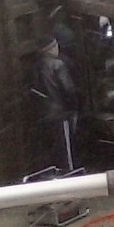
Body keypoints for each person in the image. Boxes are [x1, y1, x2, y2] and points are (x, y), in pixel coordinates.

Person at [35, 37, 79, 171]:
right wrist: (74, 106)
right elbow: (68, 89)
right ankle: (69, 172)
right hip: (59, 113)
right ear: (52, 48)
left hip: (43, 113)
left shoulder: (37, 65)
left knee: (52, 147)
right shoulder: (57, 65)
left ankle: (54, 172)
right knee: (66, 149)